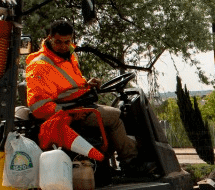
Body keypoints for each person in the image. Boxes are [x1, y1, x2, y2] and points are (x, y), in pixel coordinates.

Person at [24, 20, 137, 166]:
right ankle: (130, 161)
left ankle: (104, 160)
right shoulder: (39, 66)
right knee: (115, 117)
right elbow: (38, 105)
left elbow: (69, 86)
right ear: (49, 38)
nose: (63, 46)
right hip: (66, 115)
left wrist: (86, 84)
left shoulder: (69, 56)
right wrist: (69, 114)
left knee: (115, 115)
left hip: (80, 106)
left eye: (67, 42)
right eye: (58, 42)